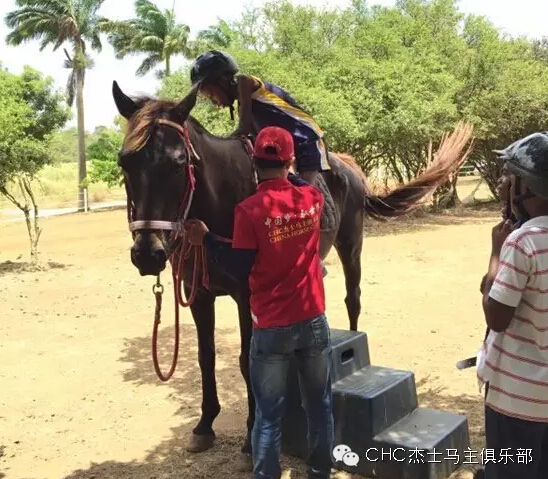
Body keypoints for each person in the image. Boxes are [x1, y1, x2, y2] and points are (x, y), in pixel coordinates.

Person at [185, 126, 334, 479]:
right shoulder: (312, 198)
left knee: (268, 416)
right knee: (320, 406)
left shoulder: (248, 210)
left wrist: (207, 239)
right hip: (313, 320)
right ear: (290, 161)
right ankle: (319, 471)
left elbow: (239, 267)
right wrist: (287, 172)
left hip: (271, 328)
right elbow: (295, 182)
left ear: (253, 162)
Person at [478, 132, 548, 479]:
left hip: (516, 402)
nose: (503, 183)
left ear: (528, 187)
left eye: (510, 176)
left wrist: (496, 252)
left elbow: (496, 316)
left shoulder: (524, 241)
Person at [189, 50, 333, 210]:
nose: (213, 102)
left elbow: (242, 130)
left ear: (222, 81)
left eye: (211, 94)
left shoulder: (245, 82)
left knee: (304, 202)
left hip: (307, 140)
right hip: (287, 149)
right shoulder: (243, 105)